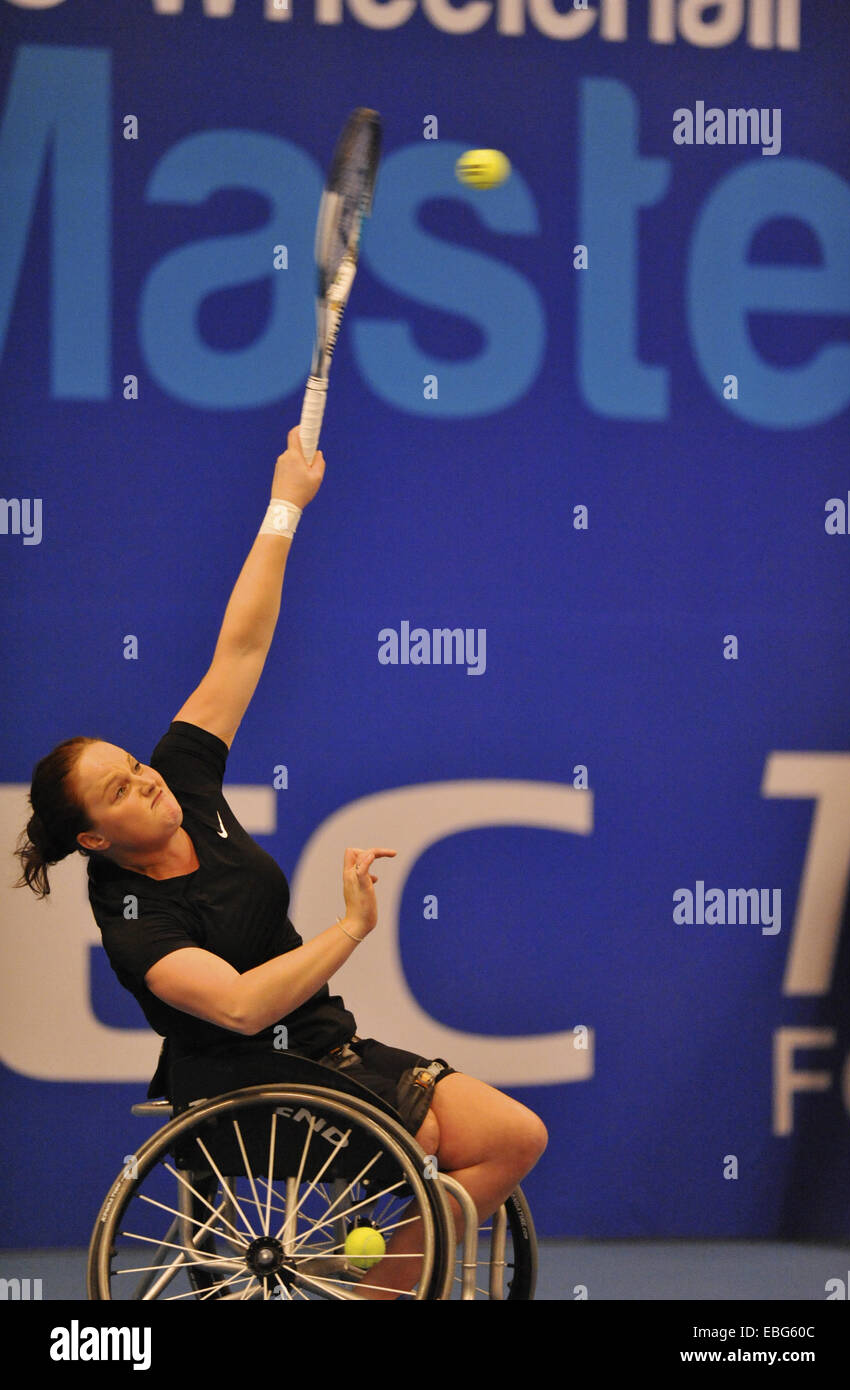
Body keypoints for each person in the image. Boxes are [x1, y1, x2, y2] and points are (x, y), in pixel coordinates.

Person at [13, 425, 547, 1298]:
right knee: (415, 1149)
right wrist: (350, 929)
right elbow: (238, 1005)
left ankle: (369, 1271)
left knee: (513, 1135)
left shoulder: (183, 781)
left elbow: (241, 649)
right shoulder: (134, 922)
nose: (144, 780)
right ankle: (384, 1271)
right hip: (235, 1084)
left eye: (133, 764)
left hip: (325, 1049)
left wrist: (284, 507)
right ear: (93, 840)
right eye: (118, 790)